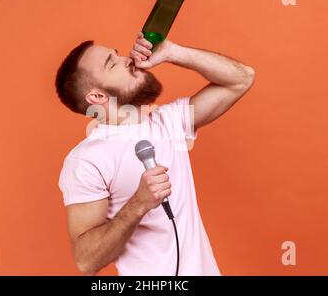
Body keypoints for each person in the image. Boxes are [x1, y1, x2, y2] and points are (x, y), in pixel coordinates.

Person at [55, 32, 255, 275]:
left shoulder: (169, 123)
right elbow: (86, 260)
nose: (126, 59)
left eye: (117, 54)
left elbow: (241, 78)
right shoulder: (86, 160)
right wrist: (139, 204)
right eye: (112, 63)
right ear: (97, 96)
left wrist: (173, 52)